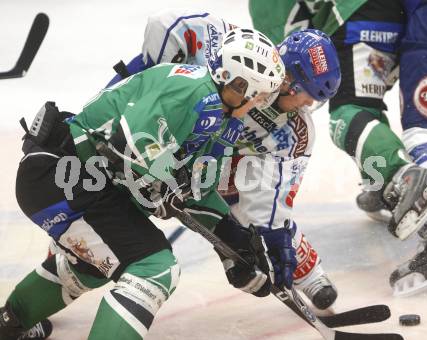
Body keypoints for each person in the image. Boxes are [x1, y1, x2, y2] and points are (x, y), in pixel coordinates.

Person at [0, 28, 287, 340]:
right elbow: (128, 145)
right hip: (62, 175)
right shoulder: (191, 89)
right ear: (237, 83)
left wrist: (233, 241)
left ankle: (8, 323)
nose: (260, 103)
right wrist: (159, 181)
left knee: (93, 265)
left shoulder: (222, 117)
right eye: (258, 94)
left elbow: (195, 188)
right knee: (155, 269)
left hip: (79, 183)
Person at [105, 9, 341, 309]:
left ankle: (303, 267)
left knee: (244, 195)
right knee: (104, 195)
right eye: (308, 95)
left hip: (203, 153)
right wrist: (158, 84)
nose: (308, 104)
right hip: (144, 126)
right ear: (288, 81)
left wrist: (275, 237)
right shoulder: (241, 51)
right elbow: (164, 24)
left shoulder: (294, 129)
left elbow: (272, 190)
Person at [248, 0, 427, 295]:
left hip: (364, 11)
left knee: (350, 110)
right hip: (418, 9)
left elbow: (284, 61)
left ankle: (406, 183)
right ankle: (383, 185)